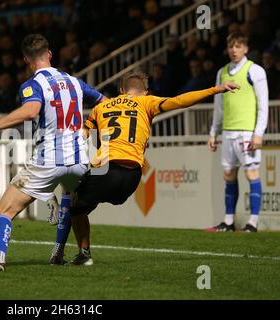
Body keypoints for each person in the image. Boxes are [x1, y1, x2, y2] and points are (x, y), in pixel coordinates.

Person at [0, 34, 105, 273]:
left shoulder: (32, 85)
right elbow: (105, 104)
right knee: (70, 200)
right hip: (80, 160)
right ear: (49, 54)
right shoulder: (75, 82)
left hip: (49, 161)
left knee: (4, 211)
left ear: (26, 59)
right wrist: (92, 127)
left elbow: (30, 111)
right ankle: (67, 252)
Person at [61, 72, 239, 266]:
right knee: (90, 202)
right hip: (132, 176)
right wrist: (216, 89)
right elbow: (180, 101)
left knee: (76, 207)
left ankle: (84, 254)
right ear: (145, 92)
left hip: (106, 170)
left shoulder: (100, 107)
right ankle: (82, 240)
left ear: (121, 90)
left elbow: (82, 136)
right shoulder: (147, 103)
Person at [205, 32, 269, 233]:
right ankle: (229, 221)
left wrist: (258, 133)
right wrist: (213, 132)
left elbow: (263, 105)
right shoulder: (222, 72)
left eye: (238, 46)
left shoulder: (255, 71)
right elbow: (219, 106)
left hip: (247, 133)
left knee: (252, 173)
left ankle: (253, 223)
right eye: (231, 46)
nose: (234, 50)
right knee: (229, 175)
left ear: (246, 49)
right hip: (228, 133)